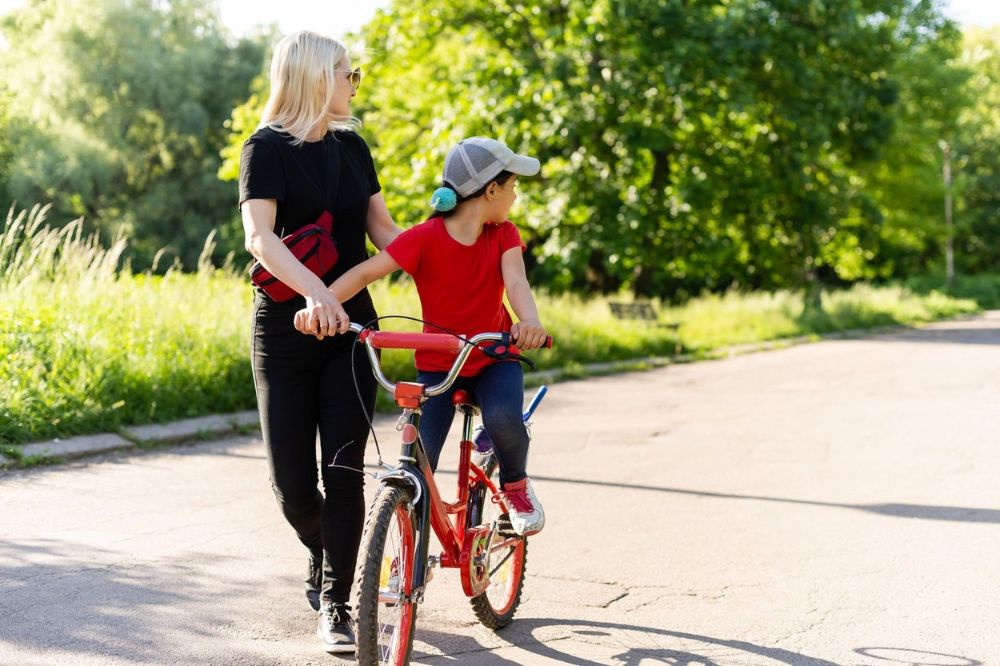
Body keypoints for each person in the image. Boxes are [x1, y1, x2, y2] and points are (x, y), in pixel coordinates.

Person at [294, 137, 548, 536]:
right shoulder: (424, 238)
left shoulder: (503, 235)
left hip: (493, 357)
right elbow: (364, 273)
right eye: (513, 186)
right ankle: (405, 556)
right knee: (417, 463)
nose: (515, 196)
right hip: (438, 364)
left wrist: (528, 321)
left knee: (502, 419)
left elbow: (517, 284)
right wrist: (321, 304)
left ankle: (515, 485)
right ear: (491, 190)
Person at [238, 31, 400, 654]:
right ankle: (324, 552)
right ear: (313, 76)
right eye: (346, 72)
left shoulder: (355, 148)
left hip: (352, 334)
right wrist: (315, 292)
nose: (354, 83)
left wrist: (443, 249)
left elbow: (383, 231)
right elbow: (262, 238)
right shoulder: (265, 148)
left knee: (345, 472)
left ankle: (337, 598)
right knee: (293, 488)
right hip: (284, 332)